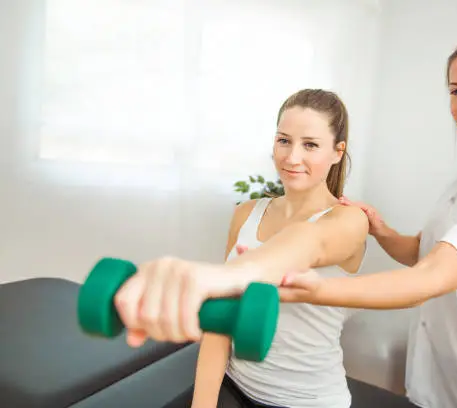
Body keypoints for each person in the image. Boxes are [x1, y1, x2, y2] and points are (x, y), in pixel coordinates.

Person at [114, 29, 457, 408]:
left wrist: (265, 280)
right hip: (427, 380)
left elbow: (415, 276)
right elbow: (428, 251)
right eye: (456, 90)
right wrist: (387, 233)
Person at [116, 88, 370, 408]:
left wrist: (238, 271)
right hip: (236, 385)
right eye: (284, 140)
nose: (292, 157)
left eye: (310, 145)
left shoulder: (350, 220)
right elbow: (221, 319)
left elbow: (308, 242)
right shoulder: (247, 213)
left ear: (337, 151)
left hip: (309, 400)